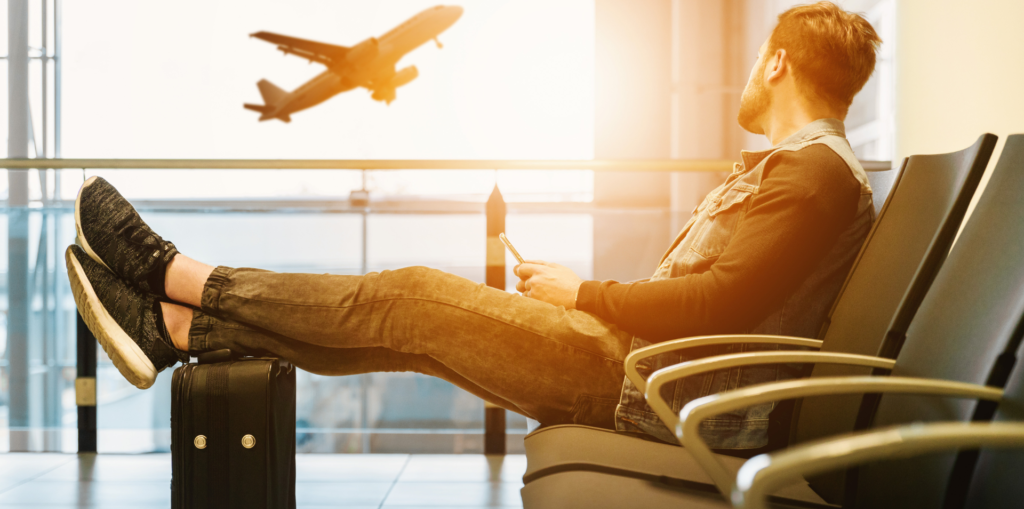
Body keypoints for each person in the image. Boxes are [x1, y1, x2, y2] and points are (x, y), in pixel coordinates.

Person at [67, 1, 881, 450]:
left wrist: (585, 292)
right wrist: (585, 298)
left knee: (410, 297)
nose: (746, 77)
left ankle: (173, 274)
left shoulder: (811, 175)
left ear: (775, 62)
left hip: (649, 391)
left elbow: (720, 307)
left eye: (754, 62)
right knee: (411, 334)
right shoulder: (805, 173)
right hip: (646, 376)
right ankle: (177, 331)